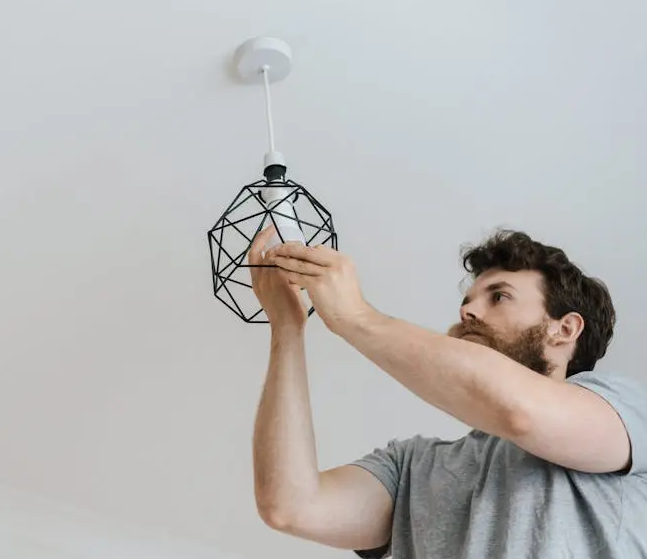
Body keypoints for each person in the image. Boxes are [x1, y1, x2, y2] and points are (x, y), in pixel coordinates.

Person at [249, 226, 647, 558]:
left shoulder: (624, 407)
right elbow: (290, 505)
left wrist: (356, 317)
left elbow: (517, 411)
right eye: (467, 301)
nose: (468, 311)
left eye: (499, 296)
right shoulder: (412, 466)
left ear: (565, 329)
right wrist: (286, 327)